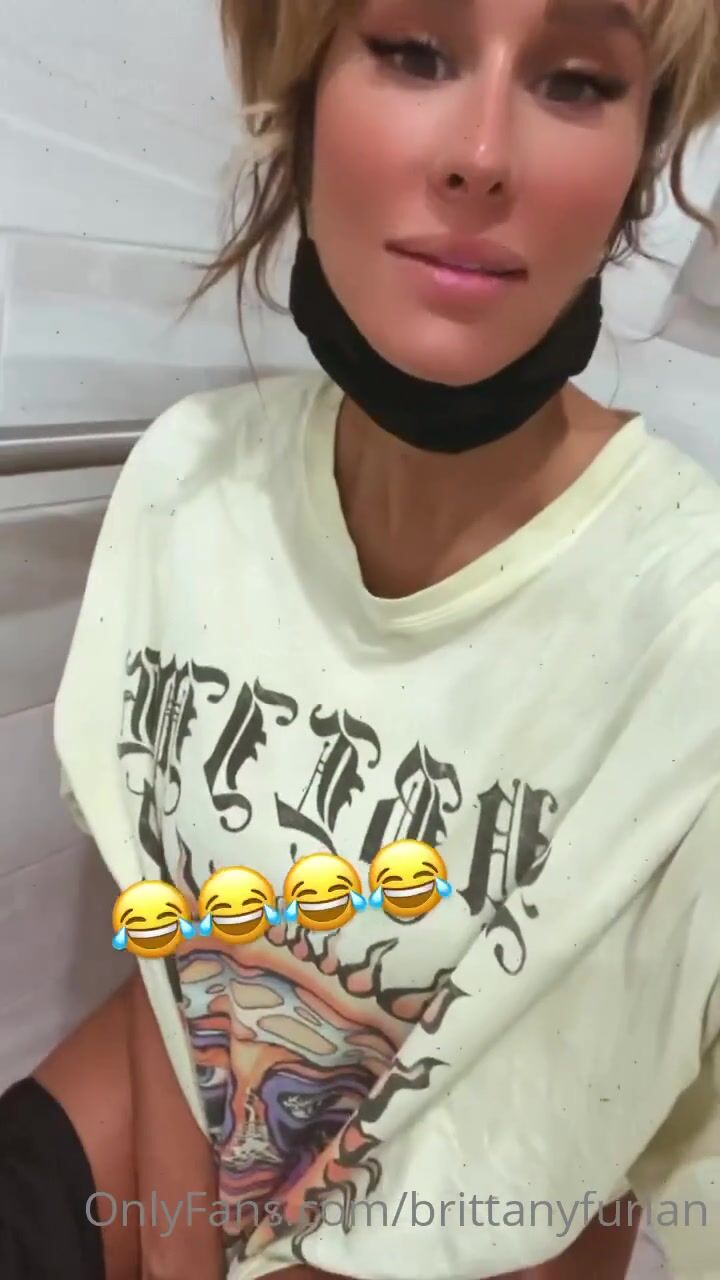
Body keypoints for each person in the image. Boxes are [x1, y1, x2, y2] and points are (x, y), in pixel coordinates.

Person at [2, 0, 720, 1277]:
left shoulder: (691, 629)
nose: (482, 154)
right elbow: (172, 954)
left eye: (575, 80)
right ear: (298, 94)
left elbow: (595, 1151)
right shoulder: (187, 480)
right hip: (175, 1149)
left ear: (641, 157)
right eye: (414, 51)